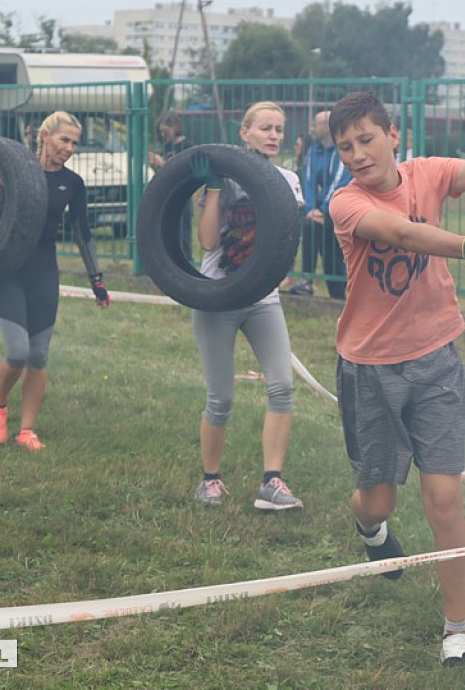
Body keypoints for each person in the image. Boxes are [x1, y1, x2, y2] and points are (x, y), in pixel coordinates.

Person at [327, 91, 465, 670]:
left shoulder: (429, 174)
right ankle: (368, 525)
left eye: (366, 139)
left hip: (435, 362)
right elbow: (400, 234)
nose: (357, 153)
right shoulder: (345, 204)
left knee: (444, 496)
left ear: (393, 135)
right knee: (379, 498)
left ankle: (458, 629)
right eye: (345, 146)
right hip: (370, 367)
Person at [188, 101, 306, 511]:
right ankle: (210, 480)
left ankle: (272, 482)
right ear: (245, 133)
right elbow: (206, 242)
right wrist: (215, 189)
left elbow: (287, 237)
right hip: (218, 294)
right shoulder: (224, 179)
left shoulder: (288, 179)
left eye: (279, 129)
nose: (274, 135)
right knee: (221, 398)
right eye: (265, 128)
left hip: (263, 297)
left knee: (282, 386)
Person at [0, 111, 110, 451]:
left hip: (43, 271)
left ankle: (27, 430)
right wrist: (2, 182)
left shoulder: (72, 183)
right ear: (44, 137)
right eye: (63, 140)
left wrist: (96, 280)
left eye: (74, 143)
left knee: (38, 356)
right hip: (9, 270)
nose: (69, 148)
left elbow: (83, 235)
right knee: (17, 351)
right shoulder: (18, 170)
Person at [291, 110, 351, 299]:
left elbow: (340, 182)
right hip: (316, 213)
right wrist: (310, 209)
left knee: (332, 253)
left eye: (315, 124)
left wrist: (324, 210)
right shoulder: (313, 150)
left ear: (327, 127)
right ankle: (306, 280)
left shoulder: (342, 150)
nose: (311, 128)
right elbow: (307, 181)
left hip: (338, 209)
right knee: (310, 225)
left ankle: (338, 292)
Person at [149, 111, 194, 259]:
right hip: (168, 194)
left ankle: (187, 260)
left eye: (165, 131)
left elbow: (184, 170)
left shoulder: (187, 146)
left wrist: (162, 163)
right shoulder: (167, 146)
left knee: (183, 233)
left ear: (174, 127)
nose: (163, 135)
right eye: (161, 132)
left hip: (183, 195)